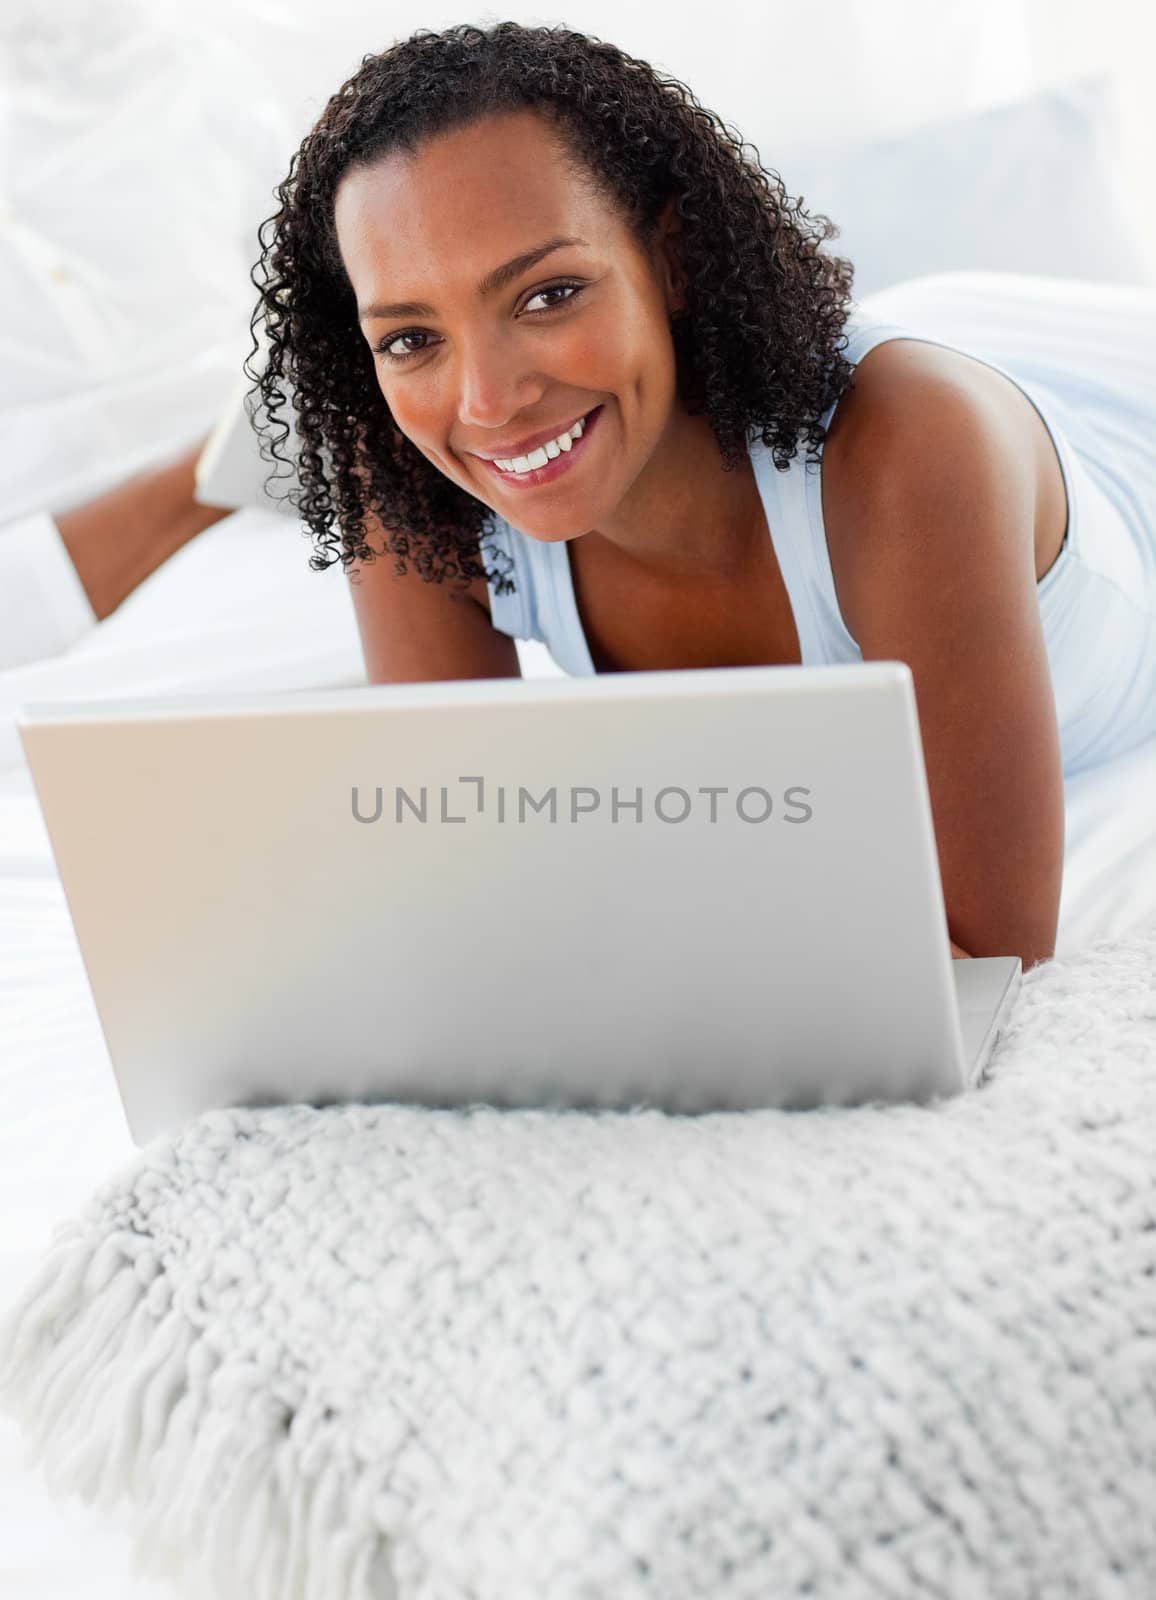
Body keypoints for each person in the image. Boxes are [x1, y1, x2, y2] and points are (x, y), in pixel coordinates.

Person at [266, 26, 1156, 969]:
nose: (487, 404)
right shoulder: (413, 483)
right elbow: (461, 885)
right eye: (410, 339)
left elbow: (985, 955)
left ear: (674, 258)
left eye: (548, 294)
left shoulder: (912, 453)